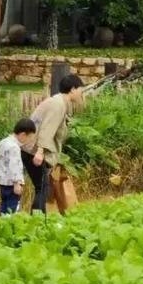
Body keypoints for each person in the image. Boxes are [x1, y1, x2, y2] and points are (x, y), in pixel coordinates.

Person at [21, 74, 85, 213]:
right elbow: (47, 129)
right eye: (80, 89)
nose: (81, 93)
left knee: (42, 187)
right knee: (43, 188)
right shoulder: (58, 105)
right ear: (73, 89)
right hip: (34, 151)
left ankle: (37, 219)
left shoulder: (57, 101)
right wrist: (40, 152)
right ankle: (36, 221)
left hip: (29, 148)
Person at [0, 118, 37, 215]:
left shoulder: (4, 142)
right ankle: (11, 226)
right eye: (29, 137)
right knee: (12, 209)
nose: (29, 140)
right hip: (12, 185)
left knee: (4, 206)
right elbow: (14, 166)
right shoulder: (14, 147)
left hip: (2, 182)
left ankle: (1, 225)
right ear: (23, 135)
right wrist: (17, 183)